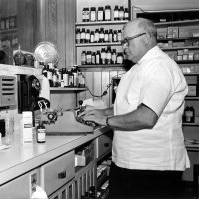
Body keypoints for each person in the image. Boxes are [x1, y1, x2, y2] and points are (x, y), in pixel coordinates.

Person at [80, 18, 190, 198]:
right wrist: (102, 112)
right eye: (122, 41)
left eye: (127, 40)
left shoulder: (160, 66)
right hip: (127, 163)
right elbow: (129, 107)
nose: (123, 46)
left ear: (146, 38)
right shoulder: (135, 70)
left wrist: (105, 120)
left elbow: (146, 116)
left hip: (153, 168)